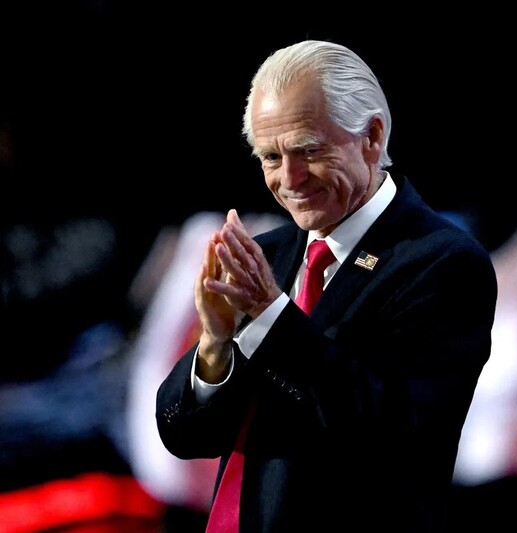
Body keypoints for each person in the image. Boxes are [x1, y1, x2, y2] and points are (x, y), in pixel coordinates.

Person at [155, 39, 498, 532]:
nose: (290, 178)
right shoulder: (267, 257)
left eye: (309, 151)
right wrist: (214, 345)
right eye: (271, 157)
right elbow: (186, 437)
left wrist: (270, 315)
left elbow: (386, 433)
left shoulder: (444, 263)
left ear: (372, 137)